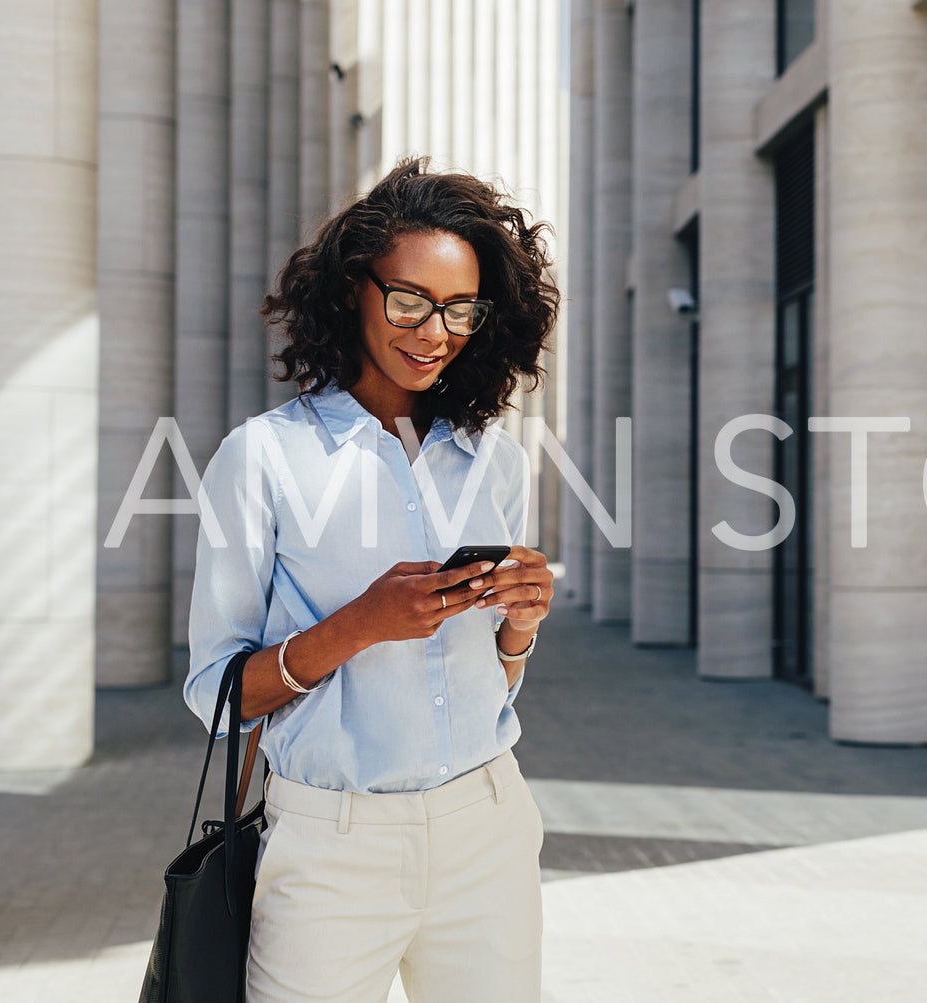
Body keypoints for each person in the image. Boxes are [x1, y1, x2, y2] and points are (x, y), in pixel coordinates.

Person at [183, 157, 559, 1002]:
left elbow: (484, 681)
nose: (434, 331)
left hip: (487, 826)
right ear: (354, 290)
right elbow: (217, 695)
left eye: (460, 309)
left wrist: (518, 626)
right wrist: (360, 622)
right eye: (409, 301)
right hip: (330, 844)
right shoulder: (266, 457)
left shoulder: (490, 459)